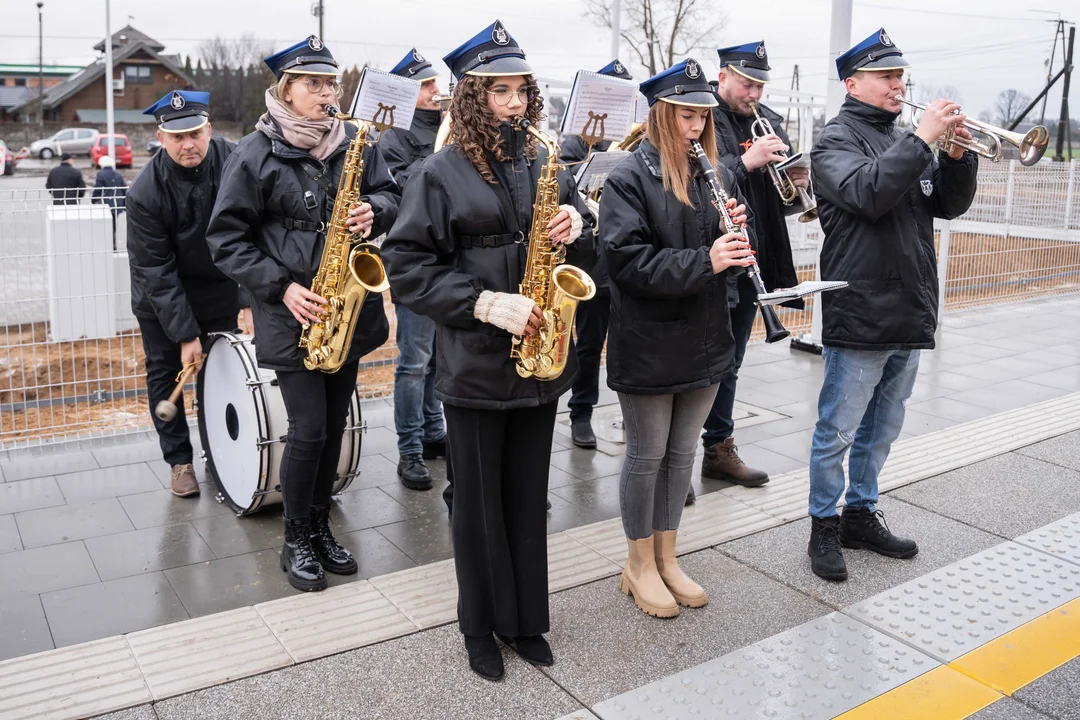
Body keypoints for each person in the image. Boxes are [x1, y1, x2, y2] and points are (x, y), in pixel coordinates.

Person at [382, 20, 594, 680]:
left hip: (539, 360)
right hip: (474, 358)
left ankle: (525, 620)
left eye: (521, 91)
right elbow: (405, 264)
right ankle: (478, 625)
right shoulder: (438, 171)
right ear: (473, 98)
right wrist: (482, 302)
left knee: (529, 497)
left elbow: (579, 229)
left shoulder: (540, 159)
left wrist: (577, 221)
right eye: (500, 93)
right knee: (476, 506)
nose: (516, 105)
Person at [207, 36, 401, 592]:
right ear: (285, 91)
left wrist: (375, 209)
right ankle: (296, 536)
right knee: (310, 430)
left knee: (333, 427)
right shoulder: (254, 151)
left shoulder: (356, 142)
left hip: (346, 307)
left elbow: (391, 195)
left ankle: (320, 524)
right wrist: (282, 288)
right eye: (313, 83)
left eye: (330, 83)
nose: (325, 93)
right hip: (292, 311)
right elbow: (225, 240)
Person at [806, 28, 978, 582]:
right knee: (839, 427)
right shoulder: (833, 142)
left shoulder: (908, 139)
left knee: (883, 426)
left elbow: (947, 205)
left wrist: (954, 157)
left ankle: (861, 511)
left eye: (900, 76)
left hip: (908, 305)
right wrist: (924, 140)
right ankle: (823, 525)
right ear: (853, 84)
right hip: (860, 310)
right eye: (886, 77)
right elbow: (868, 194)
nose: (898, 86)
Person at [599, 58, 755, 619]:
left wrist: (734, 249)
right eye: (686, 115)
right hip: (649, 339)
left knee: (683, 454)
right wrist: (706, 259)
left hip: (708, 335)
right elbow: (627, 263)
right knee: (647, 456)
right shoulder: (627, 177)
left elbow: (729, 257)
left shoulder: (716, 171)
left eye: (703, 116)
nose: (696, 126)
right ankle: (637, 564)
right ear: (662, 115)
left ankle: (667, 556)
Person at [691, 41, 806, 495]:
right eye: (746, 82)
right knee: (701, 358)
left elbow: (782, 198)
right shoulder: (702, 116)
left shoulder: (770, 121)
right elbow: (700, 178)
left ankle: (719, 447)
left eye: (760, 83)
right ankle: (677, 454)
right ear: (722, 77)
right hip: (714, 253)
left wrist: (796, 182)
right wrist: (748, 160)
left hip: (756, 251)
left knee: (733, 359)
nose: (754, 92)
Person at [126, 90, 241, 498]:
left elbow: (252, 227)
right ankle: (179, 461)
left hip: (218, 289)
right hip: (161, 299)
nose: (188, 144)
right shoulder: (144, 192)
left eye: (194, 133)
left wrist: (253, 297)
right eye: (177, 137)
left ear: (209, 129)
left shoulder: (234, 161)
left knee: (221, 375)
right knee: (166, 373)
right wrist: (186, 336)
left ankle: (223, 451)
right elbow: (156, 270)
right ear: (161, 138)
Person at [381, 48, 448, 491]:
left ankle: (432, 429)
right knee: (413, 361)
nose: (436, 90)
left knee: (438, 358)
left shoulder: (446, 126)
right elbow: (405, 192)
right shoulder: (393, 138)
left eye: (434, 82)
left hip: (451, 258)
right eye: (425, 85)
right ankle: (409, 450)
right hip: (416, 260)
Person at [562, 59, 633, 449]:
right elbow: (564, 189)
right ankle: (581, 412)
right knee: (588, 344)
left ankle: (633, 411)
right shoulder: (575, 140)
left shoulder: (633, 138)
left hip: (627, 258)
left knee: (629, 342)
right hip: (591, 260)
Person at [91, 155, 126, 250]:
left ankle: (105, 245)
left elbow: (98, 189)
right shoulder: (118, 174)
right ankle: (113, 245)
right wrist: (124, 204)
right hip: (116, 204)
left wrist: (94, 199)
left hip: (105, 204)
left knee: (104, 225)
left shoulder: (101, 174)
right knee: (113, 225)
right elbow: (123, 189)